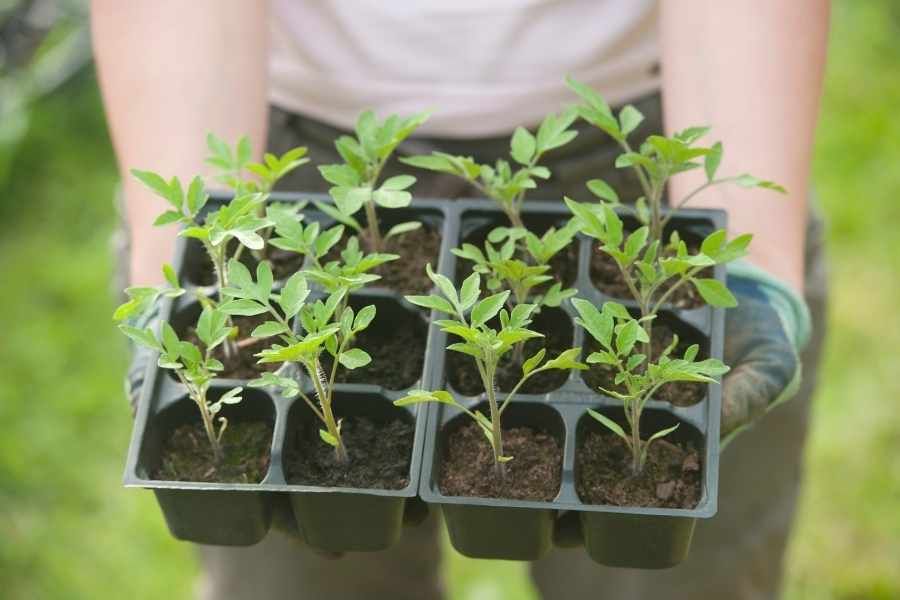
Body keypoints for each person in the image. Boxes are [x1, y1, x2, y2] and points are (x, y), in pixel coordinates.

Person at [91, 1, 830, 598]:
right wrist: (188, 273)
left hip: (671, 143)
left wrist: (754, 257)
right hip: (278, 171)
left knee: (677, 577)